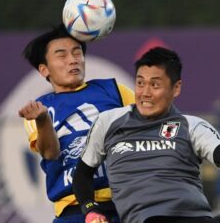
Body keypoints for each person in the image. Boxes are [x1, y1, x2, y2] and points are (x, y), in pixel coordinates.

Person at [72, 47, 220, 223]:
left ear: (176, 88)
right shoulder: (108, 122)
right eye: (140, 83)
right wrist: (90, 209)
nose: (145, 93)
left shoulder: (190, 125)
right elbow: (82, 174)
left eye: (155, 84)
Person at [18, 24, 135, 223]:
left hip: (127, 203)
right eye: (62, 55)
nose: (73, 60)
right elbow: (50, 153)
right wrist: (43, 119)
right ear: (44, 69)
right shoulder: (41, 109)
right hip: (74, 210)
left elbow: (149, 126)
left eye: (77, 52)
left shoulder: (114, 90)